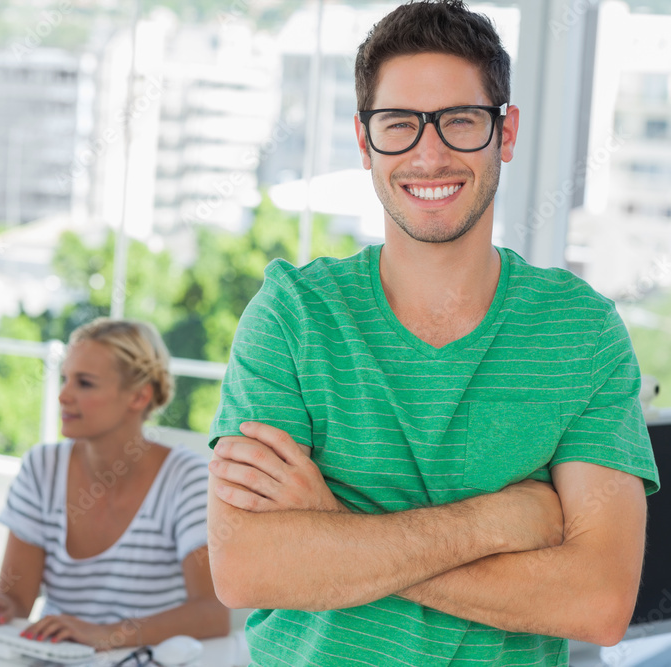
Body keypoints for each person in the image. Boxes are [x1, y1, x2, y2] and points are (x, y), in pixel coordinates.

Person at [205, 1, 660, 666]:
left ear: (505, 134)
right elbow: (247, 567)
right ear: (364, 143)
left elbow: (598, 602)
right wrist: (496, 523)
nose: (430, 153)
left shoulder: (580, 330)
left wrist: (336, 533)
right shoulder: (292, 316)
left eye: (460, 121)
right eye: (398, 125)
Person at [0, 318, 228, 650]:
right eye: (66, 379)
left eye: (84, 383)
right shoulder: (42, 468)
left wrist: (106, 634)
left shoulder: (187, 480)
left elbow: (212, 614)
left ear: (139, 396)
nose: (63, 396)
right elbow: (17, 601)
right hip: (55, 658)